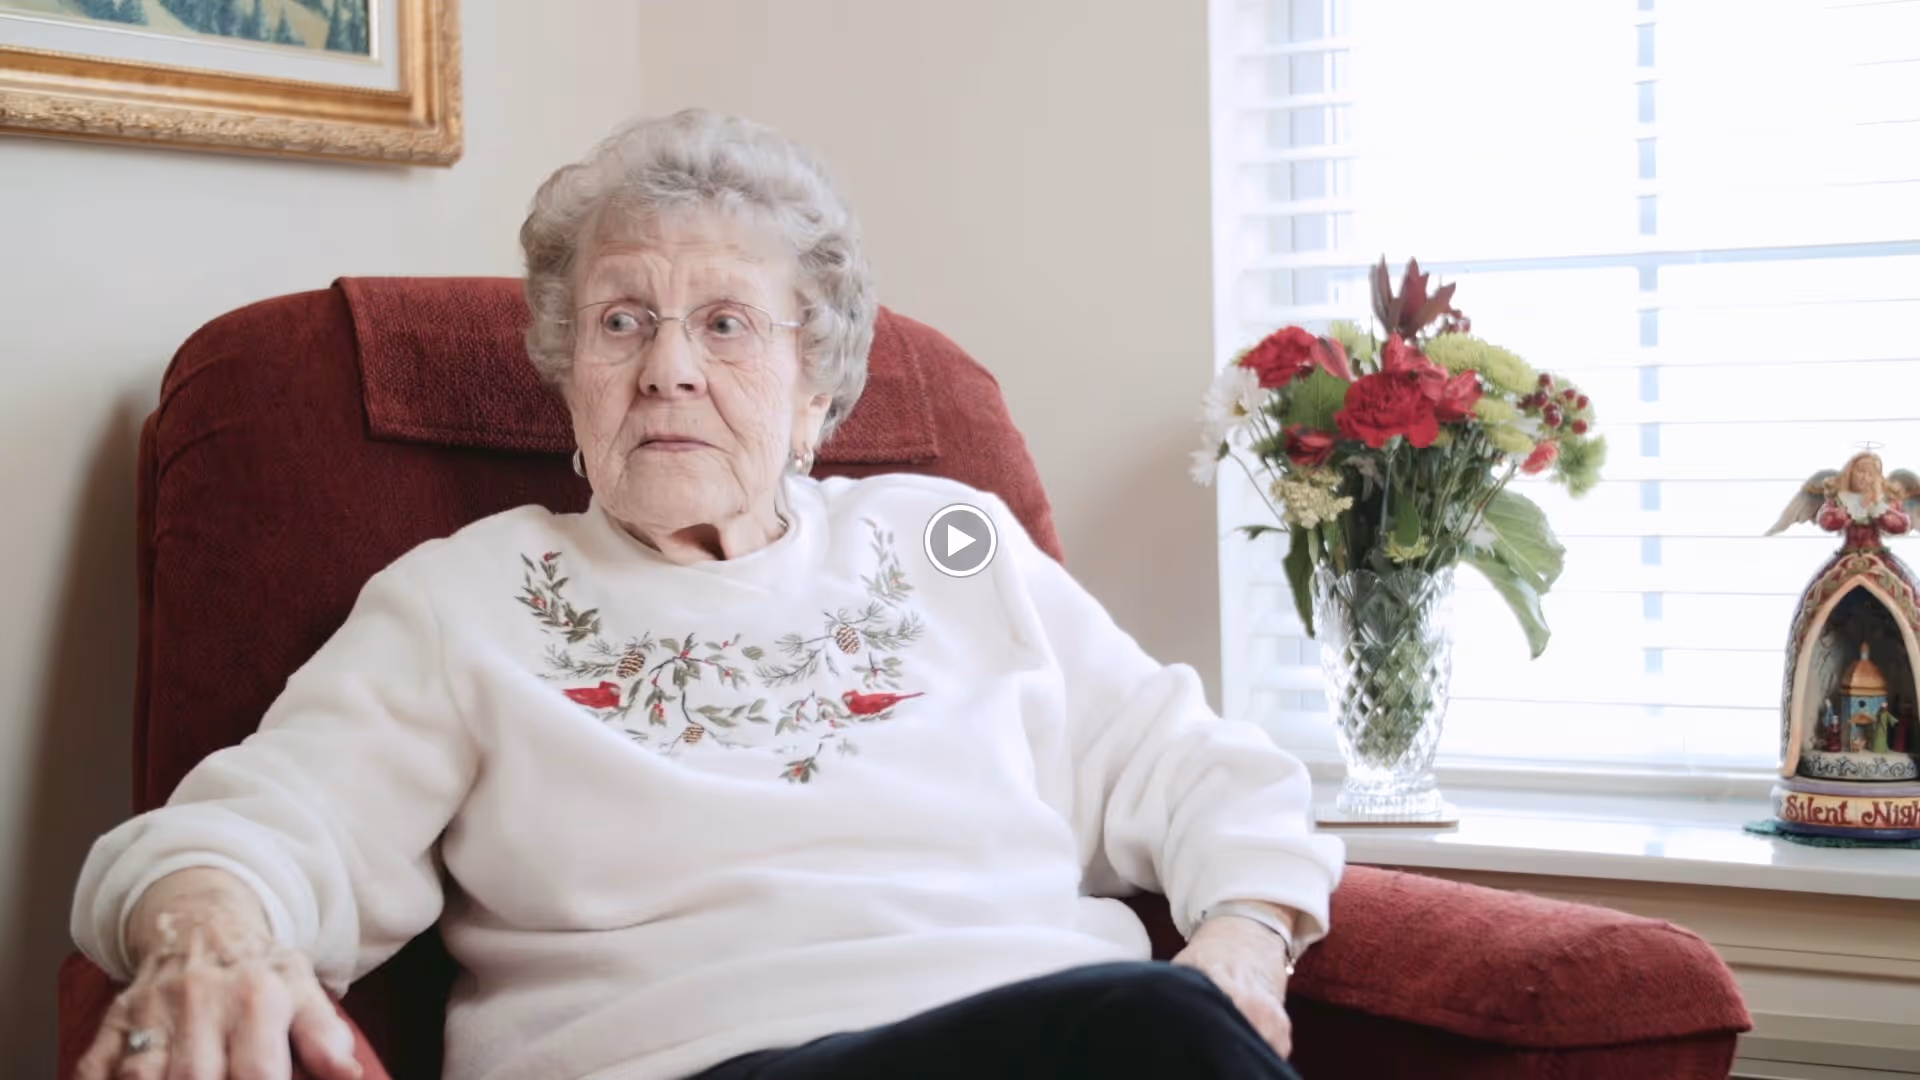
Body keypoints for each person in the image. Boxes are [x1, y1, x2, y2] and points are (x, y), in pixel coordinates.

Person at [71, 109, 1343, 1080]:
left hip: (1075, 1032)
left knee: (1157, 1025)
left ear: (819, 390)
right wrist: (205, 931)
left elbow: (1200, 772)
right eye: (622, 323)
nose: (669, 368)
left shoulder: (951, 539)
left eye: (727, 325)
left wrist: (1243, 939)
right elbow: (256, 829)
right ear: (566, 373)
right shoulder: (471, 600)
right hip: (708, 1060)